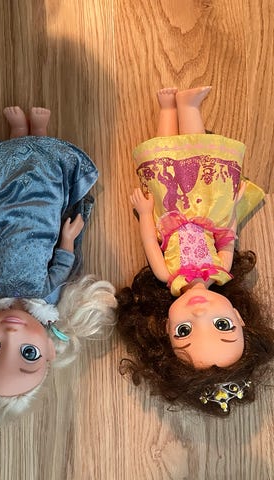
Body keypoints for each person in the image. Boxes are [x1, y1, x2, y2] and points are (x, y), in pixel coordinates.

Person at [117, 87, 274, 415]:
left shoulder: (166, 274)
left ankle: (166, 108)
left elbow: (150, 243)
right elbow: (228, 236)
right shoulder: (221, 269)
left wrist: (145, 214)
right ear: (239, 317)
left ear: (166, 329)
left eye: (184, 331)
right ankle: (188, 106)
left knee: (162, 162)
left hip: (168, 212)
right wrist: (233, 206)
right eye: (222, 325)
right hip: (208, 209)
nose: (201, 314)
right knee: (198, 162)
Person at [0, 106, 116, 420]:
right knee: (45, 180)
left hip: (6, 219)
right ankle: (39, 131)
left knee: (8, 181)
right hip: (45, 219)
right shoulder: (46, 297)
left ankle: (17, 131)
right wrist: (68, 238)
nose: (11, 334)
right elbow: (61, 266)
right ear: (50, 352)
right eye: (28, 353)